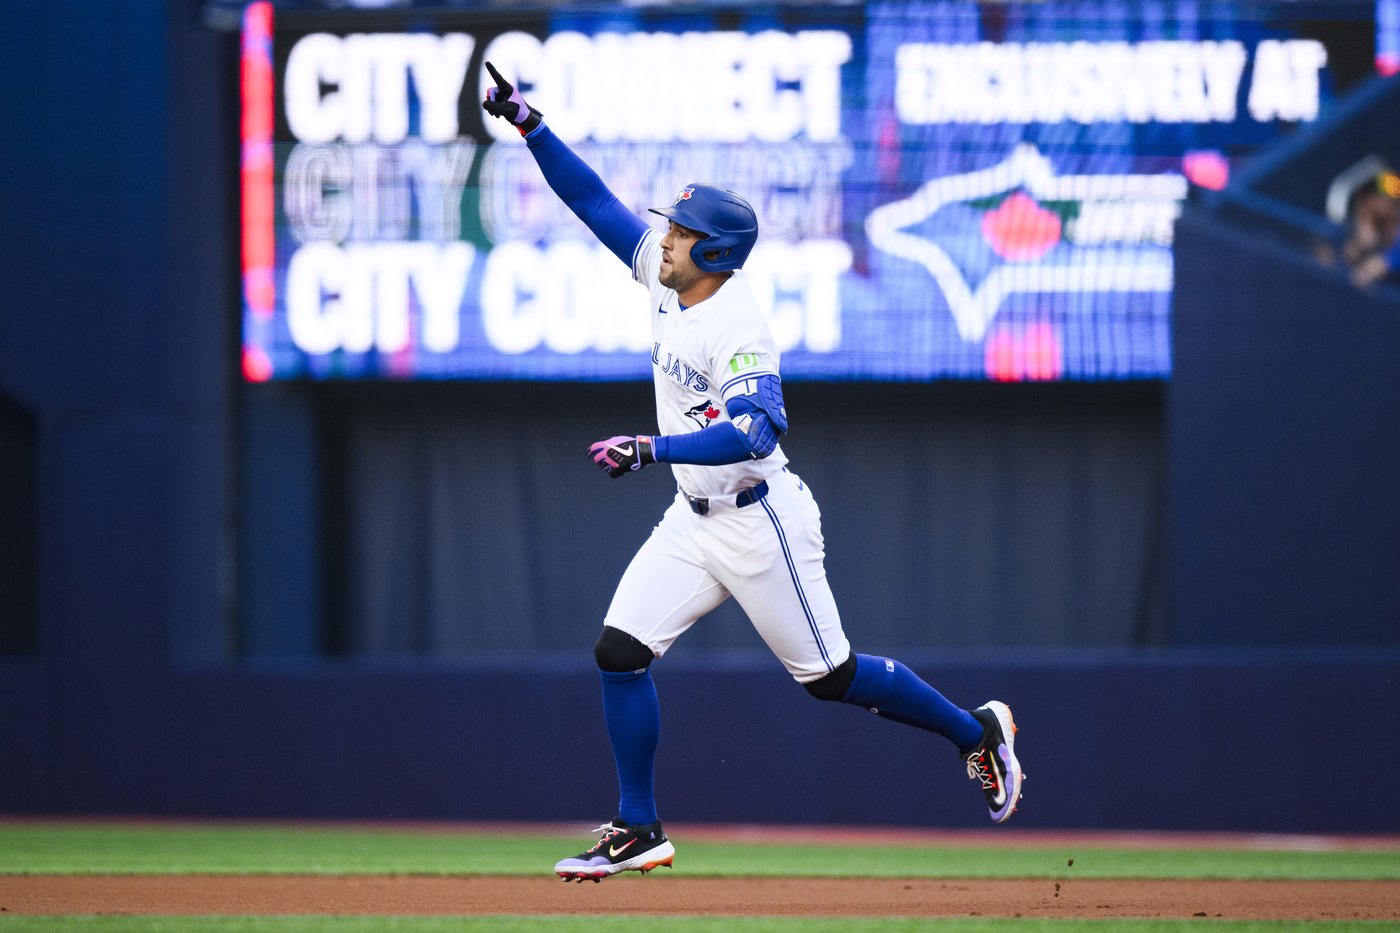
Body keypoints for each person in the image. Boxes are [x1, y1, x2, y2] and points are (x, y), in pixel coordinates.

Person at [483, 62, 1024, 883]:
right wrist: (531, 125)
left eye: (680, 230)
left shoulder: (737, 324)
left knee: (830, 678)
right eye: (669, 227)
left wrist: (651, 447)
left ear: (717, 251)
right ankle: (638, 827)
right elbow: (595, 205)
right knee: (619, 649)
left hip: (759, 517)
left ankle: (973, 731)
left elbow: (757, 427)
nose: (664, 237)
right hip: (689, 518)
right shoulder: (668, 282)